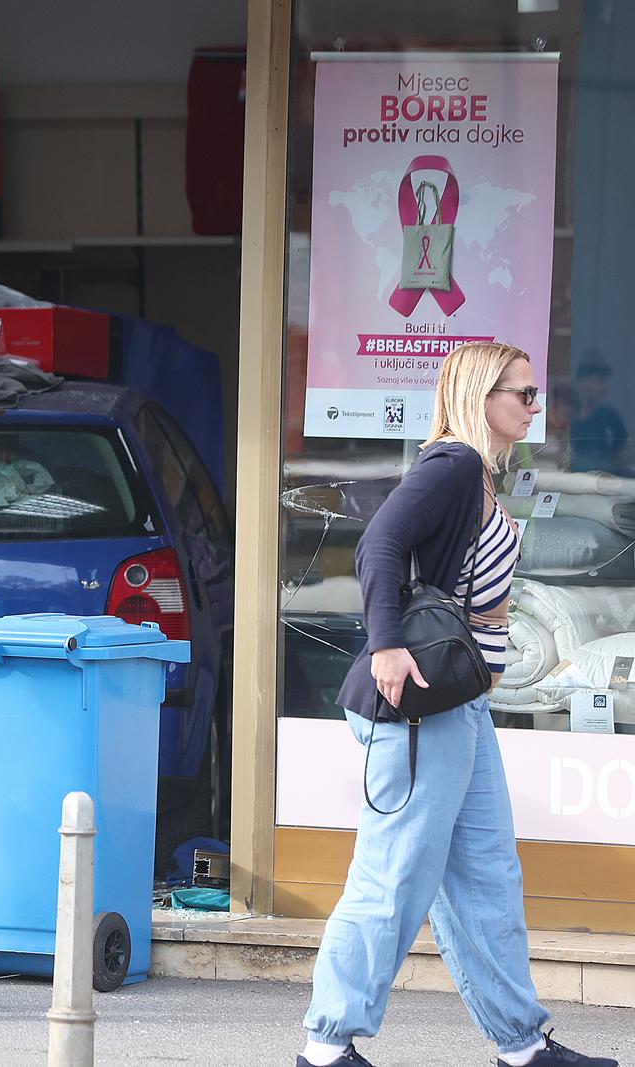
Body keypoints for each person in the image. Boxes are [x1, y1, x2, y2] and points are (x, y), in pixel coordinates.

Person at [298, 343, 615, 1067]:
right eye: (524, 394)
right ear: (482, 394)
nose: (536, 407)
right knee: (396, 871)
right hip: (418, 708)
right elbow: (379, 541)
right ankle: (325, 1044)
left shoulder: (481, 477)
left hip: (458, 707)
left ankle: (522, 1042)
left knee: (487, 874)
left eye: (537, 395)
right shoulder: (455, 465)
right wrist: (384, 643)